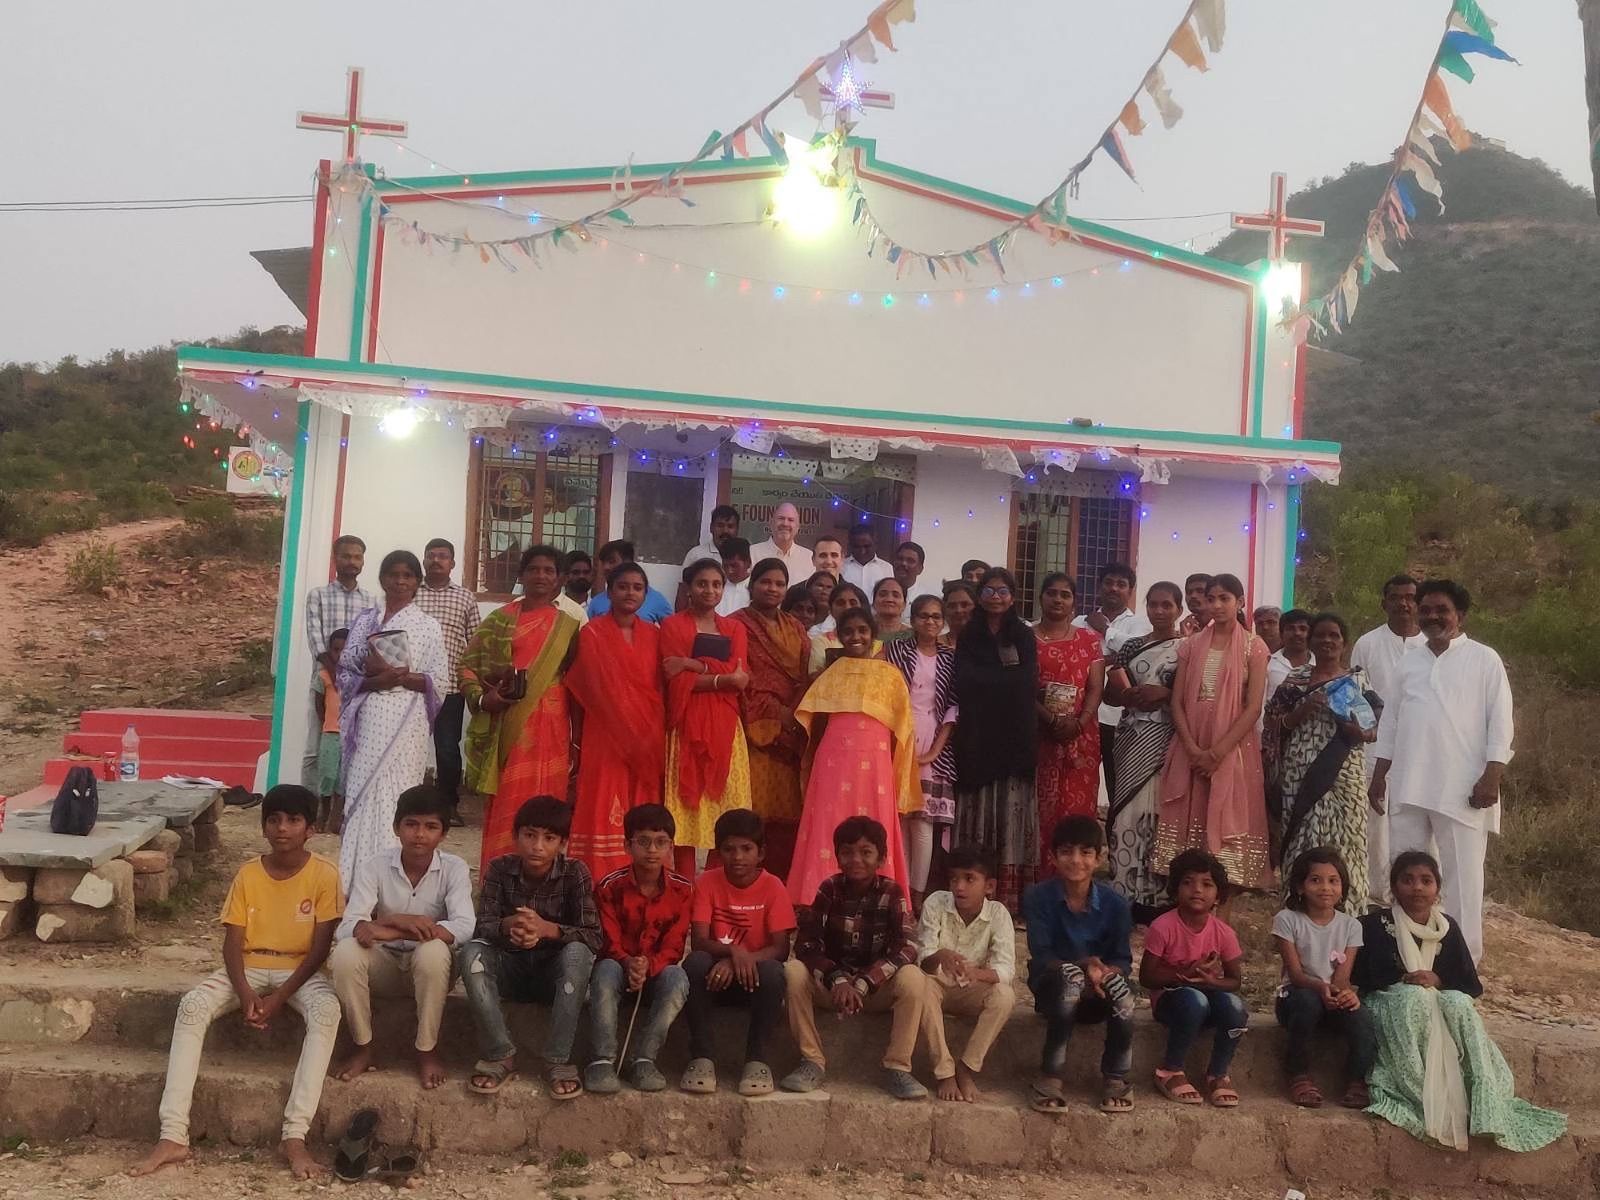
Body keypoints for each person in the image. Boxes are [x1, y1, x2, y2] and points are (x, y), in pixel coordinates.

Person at [129, 785, 342, 1180]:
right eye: (274, 819)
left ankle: (295, 1135)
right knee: (192, 1005)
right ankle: (173, 1134)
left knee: (328, 1011)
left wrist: (279, 997)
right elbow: (232, 944)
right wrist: (245, 992)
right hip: (247, 967)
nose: (282, 828)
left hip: (299, 973)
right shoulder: (248, 873)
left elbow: (319, 950)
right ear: (263, 827)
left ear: (310, 829)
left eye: (294, 820)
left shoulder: (324, 874)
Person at [1354, 851, 1565, 1152]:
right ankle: (1419, 1095)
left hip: (1435, 1000)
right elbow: (1364, 975)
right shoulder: (1374, 924)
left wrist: (1437, 979)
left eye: (1426, 881)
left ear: (1437, 889)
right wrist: (1407, 978)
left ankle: (1484, 1104)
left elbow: (1468, 983)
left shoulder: (1447, 928)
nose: (1417, 887)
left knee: (1459, 1004)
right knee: (1413, 998)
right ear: (1394, 886)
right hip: (1391, 1001)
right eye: (1408, 880)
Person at [1370, 580, 1511, 962]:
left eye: (1441, 610)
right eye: (1426, 609)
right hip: (1410, 784)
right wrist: (1379, 774)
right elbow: (1391, 722)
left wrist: (1491, 777)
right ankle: (1407, 960)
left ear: (1460, 616)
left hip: (1463, 788)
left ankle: (1463, 968)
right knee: (1407, 878)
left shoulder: (1485, 660)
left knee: (1464, 884)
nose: (1431, 616)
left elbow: (1501, 724)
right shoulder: (1409, 662)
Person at [330, 785, 474, 1090]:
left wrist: (391, 928)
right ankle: (363, 1045)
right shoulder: (375, 865)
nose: (420, 834)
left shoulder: (454, 869)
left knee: (433, 951)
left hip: (431, 971)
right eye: (411, 824)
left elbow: (465, 926)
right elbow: (348, 925)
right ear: (397, 828)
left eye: (431, 827)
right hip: (387, 967)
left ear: (443, 834)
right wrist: (396, 920)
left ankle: (426, 1049)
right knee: (345, 953)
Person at [459, 796, 601, 1100]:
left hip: (555, 977)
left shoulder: (576, 873)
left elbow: (593, 936)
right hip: (511, 969)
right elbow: (482, 924)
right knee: (471, 953)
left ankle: (557, 1060)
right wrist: (511, 925)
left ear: (562, 843)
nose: (537, 846)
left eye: (549, 838)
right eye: (530, 835)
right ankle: (500, 1054)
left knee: (579, 953)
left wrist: (547, 930)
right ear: (515, 837)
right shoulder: (499, 869)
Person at [781, 816, 929, 1100]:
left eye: (866, 852)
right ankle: (811, 1060)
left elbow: (907, 947)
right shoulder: (829, 888)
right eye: (847, 852)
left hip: (874, 989)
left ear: (882, 858)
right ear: (837, 857)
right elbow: (807, 944)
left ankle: (898, 1067)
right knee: (793, 971)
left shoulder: (892, 892)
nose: (855, 859)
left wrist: (862, 983)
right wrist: (837, 979)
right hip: (833, 987)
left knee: (913, 976)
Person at [461, 544, 580, 877]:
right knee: (509, 797)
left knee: (549, 800)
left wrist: (578, 741)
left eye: (549, 570)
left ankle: (547, 882)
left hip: (554, 724)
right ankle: (499, 878)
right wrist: (486, 700)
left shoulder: (568, 627)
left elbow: (575, 678)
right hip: (510, 723)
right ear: (521, 575)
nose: (541, 576)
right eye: (534, 569)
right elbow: (468, 666)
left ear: (559, 579)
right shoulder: (500, 620)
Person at [789, 608, 919, 903]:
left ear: (873, 635)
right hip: (834, 759)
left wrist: (900, 774)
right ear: (839, 636)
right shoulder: (831, 673)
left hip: (876, 760)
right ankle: (814, 895)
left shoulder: (891, 675)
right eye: (848, 631)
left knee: (877, 820)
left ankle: (882, 896)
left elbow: (904, 730)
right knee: (827, 820)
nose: (855, 636)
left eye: (862, 630)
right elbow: (814, 721)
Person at [336, 550, 448, 889]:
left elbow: (439, 681)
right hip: (370, 717)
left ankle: (393, 887)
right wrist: (374, 681)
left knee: (398, 795)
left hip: (407, 723)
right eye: (393, 574)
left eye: (408, 576)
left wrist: (401, 678)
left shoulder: (428, 627)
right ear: (383, 579)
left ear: (417, 582)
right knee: (363, 790)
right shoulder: (364, 621)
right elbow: (344, 672)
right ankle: (353, 884)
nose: (400, 581)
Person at [1155, 573, 1271, 891]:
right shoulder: (1191, 645)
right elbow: (1177, 701)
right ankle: (1188, 916)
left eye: (1225, 599)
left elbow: (1253, 708)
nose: (1217, 605)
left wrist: (1217, 753)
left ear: (1240, 602)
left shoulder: (1254, 647)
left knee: (1225, 833)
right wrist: (1193, 750)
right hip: (1190, 746)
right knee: (1188, 829)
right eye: (1212, 599)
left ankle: (1221, 924)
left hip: (1231, 748)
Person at [1263, 614, 1378, 912]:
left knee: (1348, 840)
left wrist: (1357, 730)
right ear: (1311, 641)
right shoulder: (1296, 680)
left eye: (1335, 635)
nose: (1327, 640)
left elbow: (1373, 727)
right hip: (1299, 772)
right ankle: (1297, 916)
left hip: (1344, 771)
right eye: (1321, 635)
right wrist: (1302, 710)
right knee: (1301, 838)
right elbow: (1273, 725)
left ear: (1344, 642)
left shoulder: (1357, 679)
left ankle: (1350, 916)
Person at [1023, 816, 1136, 1115]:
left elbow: (1123, 959)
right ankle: (1050, 1076)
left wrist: (1105, 973)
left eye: (1086, 852)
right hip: (1053, 989)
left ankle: (1116, 1077)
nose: (1076, 860)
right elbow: (1042, 955)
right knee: (1071, 978)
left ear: (1098, 858)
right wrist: (1084, 966)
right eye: (1066, 852)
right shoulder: (1038, 898)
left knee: (1122, 992)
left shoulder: (1116, 905)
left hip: (1098, 992)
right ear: (1053, 857)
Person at [680, 810, 796, 1096]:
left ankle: (757, 1060)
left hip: (753, 982)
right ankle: (701, 1058)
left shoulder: (773, 886)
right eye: (729, 849)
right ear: (719, 852)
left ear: (761, 853)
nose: (738, 857)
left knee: (774, 972)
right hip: (714, 981)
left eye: (747, 849)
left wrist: (741, 960)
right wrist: (734, 952)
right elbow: (699, 941)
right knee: (694, 964)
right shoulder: (707, 882)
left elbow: (781, 948)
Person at [563, 563, 666, 878]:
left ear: (645, 594)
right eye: (623, 586)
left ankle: (645, 874)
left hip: (647, 737)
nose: (630, 593)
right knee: (603, 798)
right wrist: (578, 740)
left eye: (637, 587)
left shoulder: (655, 635)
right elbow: (587, 689)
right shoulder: (592, 633)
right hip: (604, 736)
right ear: (608, 592)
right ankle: (598, 874)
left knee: (643, 803)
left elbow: (660, 686)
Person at [586, 804, 693, 1094]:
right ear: (627, 845)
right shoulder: (609, 887)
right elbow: (607, 939)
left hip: (655, 971)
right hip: (619, 968)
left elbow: (675, 944)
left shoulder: (683, 890)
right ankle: (603, 1059)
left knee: (678, 978)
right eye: (643, 842)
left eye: (661, 843)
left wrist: (649, 966)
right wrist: (628, 963)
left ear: (671, 846)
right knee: (605, 969)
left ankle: (644, 1058)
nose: (652, 850)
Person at [952, 567, 1039, 912]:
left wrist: (991, 681)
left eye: (1003, 591)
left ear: (1013, 596)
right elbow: (964, 680)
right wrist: (1001, 680)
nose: (996, 597)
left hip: (1015, 736)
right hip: (976, 735)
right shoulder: (969, 635)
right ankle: (974, 892)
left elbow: (1025, 682)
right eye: (989, 590)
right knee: (978, 811)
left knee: (1011, 813)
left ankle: (1010, 898)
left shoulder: (1023, 635)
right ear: (979, 595)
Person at [661, 559, 752, 876]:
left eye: (716, 584)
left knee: (724, 812)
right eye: (702, 583)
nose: (709, 590)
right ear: (688, 588)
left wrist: (691, 664)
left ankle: (715, 885)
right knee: (686, 812)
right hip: (686, 724)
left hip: (726, 728)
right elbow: (673, 679)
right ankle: (686, 887)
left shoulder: (734, 628)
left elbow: (741, 676)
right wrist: (719, 677)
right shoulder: (673, 626)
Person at [1139, 849, 1248, 1108]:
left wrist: (1211, 981)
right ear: (1176, 889)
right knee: (1194, 999)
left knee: (1236, 1008)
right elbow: (1147, 977)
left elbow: (1234, 981)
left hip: (1207, 996)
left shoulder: (1224, 933)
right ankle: (1170, 1071)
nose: (1196, 890)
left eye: (1206, 884)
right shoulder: (1163, 926)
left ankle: (1218, 1073)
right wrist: (1184, 976)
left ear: (1218, 896)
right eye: (1187, 882)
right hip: (1171, 1000)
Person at [1272, 846, 1376, 1109]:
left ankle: (1357, 1080)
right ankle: (1298, 1074)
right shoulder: (1287, 920)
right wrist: (1320, 987)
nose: (1325, 888)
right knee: (1307, 1001)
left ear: (1342, 888)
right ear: (1299, 886)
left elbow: (1342, 978)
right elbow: (1295, 974)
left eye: (1333, 881)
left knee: (1362, 1015)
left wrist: (1346, 994)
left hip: (1331, 996)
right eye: (1315, 880)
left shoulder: (1351, 926)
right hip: (1296, 997)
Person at [1103, 582, 1184, 914]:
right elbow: (1110, 694)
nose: (1159, 611)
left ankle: (1158, 898)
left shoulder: (1188, 648)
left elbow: (1194, 694)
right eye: (1153, 605)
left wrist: (1163, 694)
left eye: (1167, 605)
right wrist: (1127, 695)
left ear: (1179, 609)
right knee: (1126, 811)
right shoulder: (1131, 646)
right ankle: (1124, 892)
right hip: (1130, 735)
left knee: (1159, 812)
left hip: (1166, 737)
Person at [915, 845, 1016, 1103]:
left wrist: (976, 973)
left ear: (989, 886)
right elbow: (922, 960)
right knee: (919, 986)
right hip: (937, 984)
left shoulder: (998, 914)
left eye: (970, 879)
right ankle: (945, 1072)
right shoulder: (936, 902)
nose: (959, 887)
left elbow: (1006, 970)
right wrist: (941, 956)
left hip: (973, 987)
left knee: (1004, 996)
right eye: (954, 879)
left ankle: (966, 1067)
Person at [731, 559, 809, 881]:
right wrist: (775, 713)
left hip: (793, 730)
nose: (772, 589)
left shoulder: (796, 627)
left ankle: (780, 884)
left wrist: (795, 713)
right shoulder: (735, 625)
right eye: (766, 582)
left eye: (779, 583)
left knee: (789, 813)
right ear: (752, 585)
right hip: (756, 729)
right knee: (755, 809)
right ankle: (743, 879)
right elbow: (738, 674)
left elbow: (803, 676)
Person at [1349, 574, 1425, 902]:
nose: (1403, 603)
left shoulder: (1431, 646)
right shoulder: (1367, 643)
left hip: (1420, 748)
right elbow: (1354, 694)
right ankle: (1377, 893)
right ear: (1384, 603)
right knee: (1374, 824)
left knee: (1416, 820)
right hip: (1374, 745)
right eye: (1396, 597)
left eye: (1410, 597)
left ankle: (1417, 891)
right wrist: (1370, 729)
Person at [884, 595, 958, 910]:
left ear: (943, 621)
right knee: (899, 819)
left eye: (936, 617)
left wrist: (932, 753)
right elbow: (884, 693)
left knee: (924, 822)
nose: (930, 622)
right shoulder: (894, 651)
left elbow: (954, 708)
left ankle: (917, 894)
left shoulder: (950, 657)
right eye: (923, 616)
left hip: (933, 736)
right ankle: (897, 891)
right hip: (896, 733)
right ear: (912, 620)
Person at [1034, 574, 1104, 873]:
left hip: (1081, 737)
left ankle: (1075, 878)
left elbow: (1096, 688)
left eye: (1065, 594)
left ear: (1074, 601)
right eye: (1052, 593)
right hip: (1038, 735)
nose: (1058, 599)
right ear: (1041, 597)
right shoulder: (1026, 639)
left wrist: (1079, 722)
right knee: (1039, 808)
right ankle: (1039, 879)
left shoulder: (1089, 640)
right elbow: (1020, 687)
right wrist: (1050, 719)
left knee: (1076, 809)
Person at [1074, 561, 1152, 805]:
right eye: (1108, 582)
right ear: (1099, 587)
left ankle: (1114, 838)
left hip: (1117, 718)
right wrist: (1110, 658)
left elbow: (1139, 651)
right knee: (1078, 781)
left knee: (1117, 782)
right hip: (1080, 715)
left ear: (1130, 591)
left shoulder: (1140, 625)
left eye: (1121, 584)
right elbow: (1073, 659)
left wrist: (1105, 631)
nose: (1114, 588)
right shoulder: (1079, 622)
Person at [416, 538, 481, 823]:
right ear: (423, 560)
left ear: (452, 563)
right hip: (413, 685)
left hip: (452, 689)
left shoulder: (465, 597)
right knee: (410, 745)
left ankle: (447, 805)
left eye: (443, 556)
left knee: (447, 748)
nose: (436, 560)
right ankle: (410, 802)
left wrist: (474, 682)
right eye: (431, 555)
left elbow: (476, 642)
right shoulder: (412, 593)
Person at [303, 534, 373, 791]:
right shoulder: (318, 596)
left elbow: (370, 643)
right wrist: (333, 673)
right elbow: (314, 636)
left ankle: (343, 804)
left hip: (357, 684)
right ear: (335, 559)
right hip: (325, 679)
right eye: (346, 556)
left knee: (353, 744)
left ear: (363, 561)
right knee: (316, 744)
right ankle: (308, 804)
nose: (352, 561)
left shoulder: (371, 601)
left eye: (357, 556)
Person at [311, 627, 347, 833]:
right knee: (327, 775)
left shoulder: (357, 677)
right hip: (330, 733)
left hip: (348, 736)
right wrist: (327, 723)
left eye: (345, 650)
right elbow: (318, 703)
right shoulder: (324, 675)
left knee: (343, 778)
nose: (340, 655)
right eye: (336, 650)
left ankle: (336, 817)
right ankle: (323, 813)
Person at [588, 540, 674, 622]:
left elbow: (671, 630)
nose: (606, 567)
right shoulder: (596, 602)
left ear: (628, 562)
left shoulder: (656, 599)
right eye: (603, 563)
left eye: (611, 561)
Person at [807, 581, 879, 675]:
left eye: (853, 603)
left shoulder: (878, 646)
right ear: (831, 609)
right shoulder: (820, 642)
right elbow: (816, 677)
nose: (847, 607)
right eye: (840, 603)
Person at [749, 501, 811, 578]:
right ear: (771, 523)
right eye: (781, 518)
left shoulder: (809, 558)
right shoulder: (752, 553)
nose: (785, 524)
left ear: (798, 527)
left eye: (791, 520)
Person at [1266, 608, 1316, 697]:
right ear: (1281, 634)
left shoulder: (1319, 664)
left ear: (1311, 634)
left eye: (1303, 629)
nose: (1297, 633)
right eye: (1290, 628)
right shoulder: (1268, 664)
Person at [683, 503, 742, 568]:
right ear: (711, 527)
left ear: (737, 530)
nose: (725, 531)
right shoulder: (696, 555)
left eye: (730, 526)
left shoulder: (744, 557)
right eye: (720, 525)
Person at [841, 521, 894, 592]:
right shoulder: (841, 566)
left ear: (876, 544)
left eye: (867, 546)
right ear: (850, 546)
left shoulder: (886, 568)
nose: (862, 551)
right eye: (857, 547)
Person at [716, 536, 753, 615]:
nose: (729, 571)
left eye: (734, 566)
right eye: (725, 566)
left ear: (748, 563)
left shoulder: (756, 590)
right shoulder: (716, 588)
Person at [873, 575, 910, 642]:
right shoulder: (863, 634)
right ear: (873, 603)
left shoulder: (914, 637)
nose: (889, 599)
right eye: (883, 594)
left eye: (896, 596)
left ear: (904, 605)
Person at [940, 580, 977, 648]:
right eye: (952, 606)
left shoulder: (990, 643)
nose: (958, 610)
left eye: (965, 605)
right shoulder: (931, 644)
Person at [805, 568, 838, 633]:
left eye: (829, 587)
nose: (824, 592)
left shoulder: (839, 624)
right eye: (820, 586)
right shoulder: (797, 620)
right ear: (809, 589)